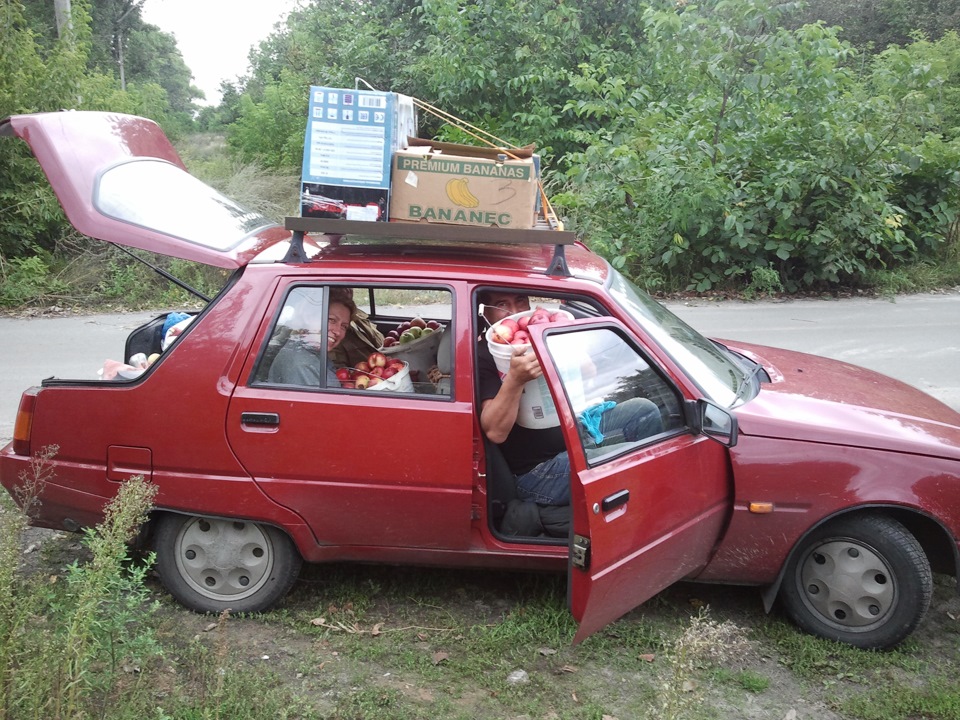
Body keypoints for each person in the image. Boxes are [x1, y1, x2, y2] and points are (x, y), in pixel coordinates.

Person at [477, 290, 663, 508]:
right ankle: (640, 508)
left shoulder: (542, 337)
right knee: (629, 460)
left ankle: (644, 500)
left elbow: (589, 371)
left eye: (520, 301)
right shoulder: (484, 355)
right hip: (538, 472)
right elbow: (495, 432)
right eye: (502, 304)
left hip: (573, 432)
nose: (516, 312)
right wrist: (515, 379)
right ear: (487, 315)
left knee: (644, 411)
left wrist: (555, 334)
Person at [268, 291, 354, 387]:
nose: (338, 331)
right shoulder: (303, 365)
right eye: (331, 320)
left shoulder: (310, 350)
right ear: (309, 317)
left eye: (344, 326)